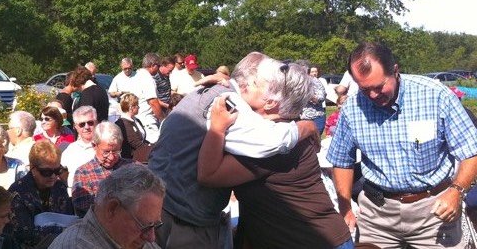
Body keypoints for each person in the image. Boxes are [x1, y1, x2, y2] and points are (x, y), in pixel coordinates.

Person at [148, 52, 317, 248]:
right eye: (264, 85)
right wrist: (307, 127)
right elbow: (274, 140)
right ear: (247, 84)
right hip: (185, 220)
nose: (270, 99)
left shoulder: (217, 91)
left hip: (164, 205)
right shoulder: (230, 104)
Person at [327, 41, 477, 248]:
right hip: (377, 214)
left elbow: (471, 151)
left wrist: (456, 191)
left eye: (379, 87)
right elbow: (342, 160)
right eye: (365, 89)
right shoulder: (353, 107)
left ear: (395, 71)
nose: (372, 95)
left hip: (434, 211)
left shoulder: (435, 95)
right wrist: (345, 208)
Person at [196, 60, 352, 248]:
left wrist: (218, 129)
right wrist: (228, 82)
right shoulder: (285, 130)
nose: (246, 86)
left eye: (255, 84)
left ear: (270, 102)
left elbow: (208, 175)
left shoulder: (273, 145)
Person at [50, 163, 165, 249]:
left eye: (155, 225)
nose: (151, 237)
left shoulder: (129, 240)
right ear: (112, 209)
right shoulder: (75, 245)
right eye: (144, 226)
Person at [7, 140, 74, 248]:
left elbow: (69, 219)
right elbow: (24, 235)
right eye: (46, 172)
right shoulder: (17, 193)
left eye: (57, 170)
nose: (53, 176)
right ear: (32, 168)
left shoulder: (59, 187)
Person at [72, 122, 135, 217]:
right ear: (94, 146)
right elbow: (84, 208)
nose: (111, 157)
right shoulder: (83, 173)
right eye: (106, 152)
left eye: (116, 151)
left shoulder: (132, 167)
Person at [61, 106, 99, 194]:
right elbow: (61, 171)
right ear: (75, 127)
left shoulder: (104, 147)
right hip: (75, 198)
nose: (86, 127)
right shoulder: (71, 149)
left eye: (90, 123)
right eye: (82, 124)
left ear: (96, 123)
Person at [133, 53, 164, 144]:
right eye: (158, 66)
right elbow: (153, 102)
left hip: (137, 119)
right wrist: (163, 119)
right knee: (154, 148)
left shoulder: (136, 75)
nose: (158, 69)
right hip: (147, 121)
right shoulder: (147, 78)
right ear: (153, 65)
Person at [115, 93, 152, 163]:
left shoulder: (136, 120)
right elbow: (136, 144)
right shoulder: (123, 124)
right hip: (132, 161)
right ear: (131, 107)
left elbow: (143, 140)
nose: (139, 107)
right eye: (137, 105)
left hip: (142, 155)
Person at [297, 60, 327, 134]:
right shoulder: (294, 82)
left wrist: (308, 94)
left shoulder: (314, 81)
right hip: (299, 118)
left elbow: (321, 97)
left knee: (314, 142)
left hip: (315, 117)